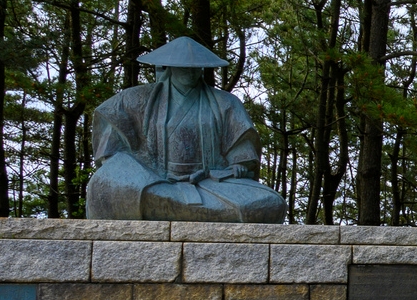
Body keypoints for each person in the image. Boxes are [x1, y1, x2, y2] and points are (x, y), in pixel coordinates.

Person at [85, 37, 287, 223]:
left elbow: (241, 149)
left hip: (211, 186)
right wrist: (123, 169)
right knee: (104, 187)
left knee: (269, 203)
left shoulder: (226, 103)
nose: (191, 72)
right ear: (171, 67)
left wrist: (239, 164)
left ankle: (165, 207)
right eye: (184, 68)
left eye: (195, 68)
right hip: (157, 183)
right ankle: (173, 204)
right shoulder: (141, 98)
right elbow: (111, 116)